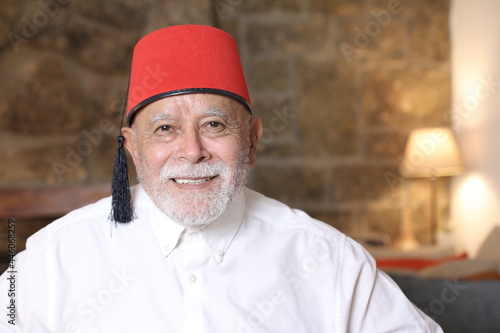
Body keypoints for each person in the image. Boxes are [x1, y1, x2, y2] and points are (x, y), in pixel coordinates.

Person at [0, 25, 442, 332]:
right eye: (165, 129)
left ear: (252, 139)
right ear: (132, 148)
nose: (192, 151)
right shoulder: (54, 259)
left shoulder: (332, 263)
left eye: (214, 125)